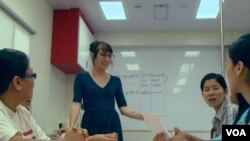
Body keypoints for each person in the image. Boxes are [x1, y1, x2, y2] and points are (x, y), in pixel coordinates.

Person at [0, 48, 118, 141]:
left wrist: (88, 139)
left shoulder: (23, 113)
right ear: (17, 82)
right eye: (32, 75)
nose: (34, 82)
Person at [153, 33, 250, 141]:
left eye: (227, 65)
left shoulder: (236, 113)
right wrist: (187, 137)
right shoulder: (245, 115)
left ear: (239, 68)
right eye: (206, 90)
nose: (211, 93)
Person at [69, 41, 144, 141]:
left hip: (112, 124)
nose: (107, 59)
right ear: (93, 55)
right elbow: (76, 103)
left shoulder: (116, 81)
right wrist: (71, 127)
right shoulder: (81, 78)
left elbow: (123, 108)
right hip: (90, 122)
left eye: (109, 56)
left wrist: (143, 116)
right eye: (103, 55)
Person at [200, 73, 238, 139]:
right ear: (202, 95)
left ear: (225, 91)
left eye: (215, 88)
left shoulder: (232, 110)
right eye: (207, 90)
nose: (211, 93)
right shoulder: (216, 119)